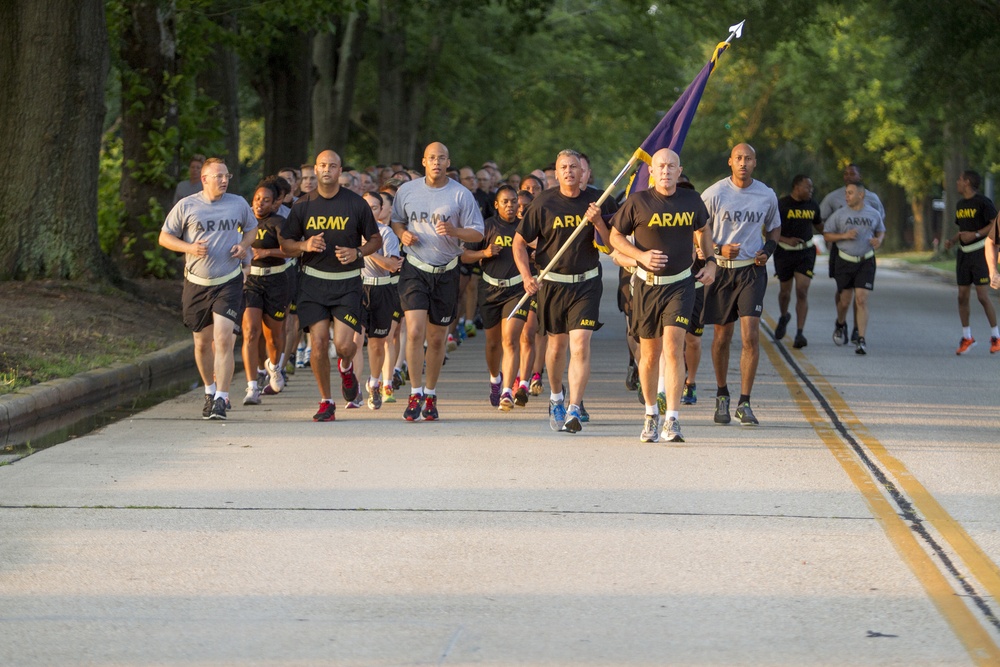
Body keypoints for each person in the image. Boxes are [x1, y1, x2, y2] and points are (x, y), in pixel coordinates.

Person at [609, 148, 716, 443]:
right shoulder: (638, 201)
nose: (666, 171)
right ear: (651, 172)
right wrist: (639, 256)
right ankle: (650, 414)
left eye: (671, 166)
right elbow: (614, 237)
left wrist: (711, 262)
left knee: (673, 346)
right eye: (661, 166)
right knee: (649, 353)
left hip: (680, 284)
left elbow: (704, 229)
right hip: (646, 285)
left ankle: (673, 419)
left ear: (679, 171)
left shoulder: (691, 200)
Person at [279, 149, 383, 422]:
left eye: (333, 166)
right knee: (319, 342)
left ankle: (346, 368)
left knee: (344, 346)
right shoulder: (303, 205)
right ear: (315, 169)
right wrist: (304, 245)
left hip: (347, 284)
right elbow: (286, 244)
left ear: (340, 171)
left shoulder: (355, 204)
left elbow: (375, 239)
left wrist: (358, 252)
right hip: (313, 283)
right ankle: (326, 401)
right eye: (322, 165)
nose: (327, 170)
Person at [513, 149, 611, 433]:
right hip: (553, 284)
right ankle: (556, 398)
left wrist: (598, 222)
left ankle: (574, 408)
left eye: (574, 167)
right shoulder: (543, 203)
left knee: (580, 344)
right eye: (563, 168)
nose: (569, 171)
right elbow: (519, 243)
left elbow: (610, 244)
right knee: (556, 346)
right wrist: (526, 276)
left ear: (583, 172)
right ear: (555, 174)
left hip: (586, 283)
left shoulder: (599, 200)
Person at [391, 142, 485, 421]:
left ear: (448, 162)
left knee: (436, 338)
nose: (436, 162)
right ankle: (415, 391)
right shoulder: (407, 191)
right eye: (431, 158)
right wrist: (402, 234)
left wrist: (455, 230)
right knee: (415, 330)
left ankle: (430, 393)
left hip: (446, 271)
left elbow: (477, 233)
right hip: (414, 269)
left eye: (441, 158)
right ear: (424, 161)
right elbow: (396, 221)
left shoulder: (460, 195)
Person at [158, 157, 256, 420]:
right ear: (204, 179)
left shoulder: (238, 203)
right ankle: (210, 391)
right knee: (202, 344)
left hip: (229, 280)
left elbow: (252, 228)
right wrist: (189, 248)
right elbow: (165, 237)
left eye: (227, 176)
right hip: (197, 283)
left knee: (224, 339)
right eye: (218, 176)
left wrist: (244, 246)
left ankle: (222, 399)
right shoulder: (187, 206)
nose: (224, 180)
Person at [701, 143, 781, 427]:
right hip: (722, 272)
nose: (743, 163)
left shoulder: (766, 194)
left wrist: (767, 250)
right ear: (730, 162)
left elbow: (774, 227)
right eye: (739, 158)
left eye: (748, 158)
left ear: (755, 163)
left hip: (751, 272)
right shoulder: (714, 194)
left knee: (750, 336)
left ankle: (744, 402)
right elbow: (697, 231)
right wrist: (719, 249)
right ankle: (722, 394)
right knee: (722, 336)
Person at [462, 185, 535, 411]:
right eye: (505, 202)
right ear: (496, 204)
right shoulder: (486, 227)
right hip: (490, 289)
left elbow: (542, 249)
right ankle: (495, 379)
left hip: (516, 291)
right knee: (493, 343)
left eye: (514, 201)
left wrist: (534, 251)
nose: (511, 206)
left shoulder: (526, 229)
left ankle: (507, 391)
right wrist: (484, 253)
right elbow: (464, 256)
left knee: (510, 340)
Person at [819, 163, 885, 344]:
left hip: (865, 254)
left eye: (852, 173)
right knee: (845, 296)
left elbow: (880, 225)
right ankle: (841, 323)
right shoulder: (833, 199)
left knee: (861, 297)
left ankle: (859, 332)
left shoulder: (872, 200)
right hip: (841, 253)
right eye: (845, 173)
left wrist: (877, 240)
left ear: (860, 176)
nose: (848, 176)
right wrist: (839, 237)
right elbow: (822, 222)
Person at [241, 181, 291, 405]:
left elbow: (292, 250)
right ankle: (252, 386)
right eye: (257, 199)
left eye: (266, 200)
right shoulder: (244, 221)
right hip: (251, 279)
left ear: (275, 203)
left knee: (273, 336)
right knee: (251, 332)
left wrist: (266, 251)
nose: (260, 204)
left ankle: (274, 366)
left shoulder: (279, 222)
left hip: (277, 279)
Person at [942, 170, 1000, 354]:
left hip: (980, 252)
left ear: (967, 182)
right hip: (963, 255)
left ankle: (996, 336)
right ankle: (967, 337)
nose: (957, 182)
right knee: (961, 296)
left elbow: (994, 224)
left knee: (983, 296)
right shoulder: (960, 204)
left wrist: (975, 235)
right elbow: (963, 232)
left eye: (959, 179)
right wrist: (952, 241)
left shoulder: (983, 202)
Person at [773, 175, 823, 348]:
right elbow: (769, 231)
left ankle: (800, 333)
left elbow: (820, 226)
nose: (811, 190)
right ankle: (784, 315)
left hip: (806, 253)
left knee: (802, 290)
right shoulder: (782, 205)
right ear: (796, 187)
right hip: (784, 252)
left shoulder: (813, 205)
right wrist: (787, 240)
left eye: (812, 188)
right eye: (807, 187)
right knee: (785, 292)